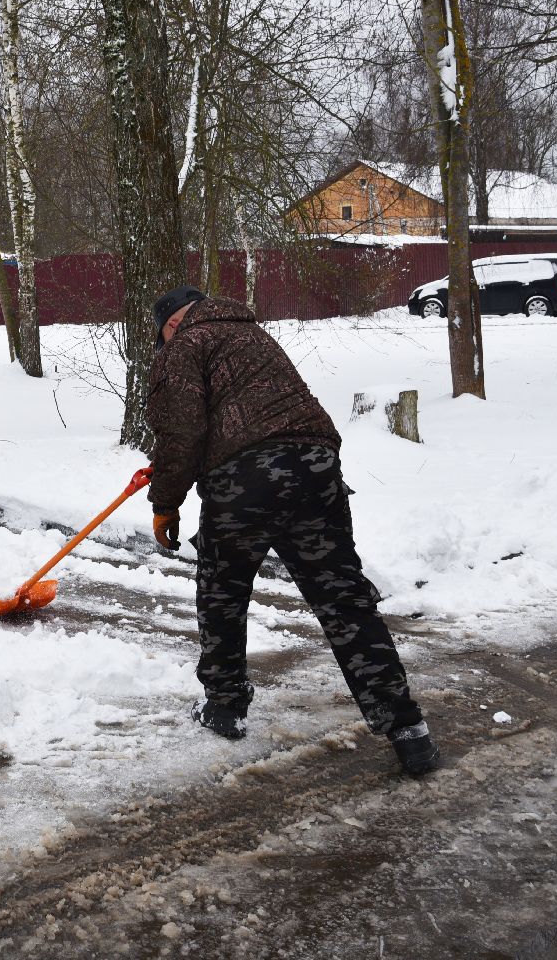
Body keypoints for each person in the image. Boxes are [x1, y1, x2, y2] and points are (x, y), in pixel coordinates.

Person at [145, 285, 439, 777]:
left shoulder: (185, 346)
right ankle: (407, 729)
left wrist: (165, 503)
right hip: (316, 467)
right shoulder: (252, 336)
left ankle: (224, 708)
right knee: (344, 601)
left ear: (171, 324)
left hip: (244, 479)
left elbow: (182, 432)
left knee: (222, 593)